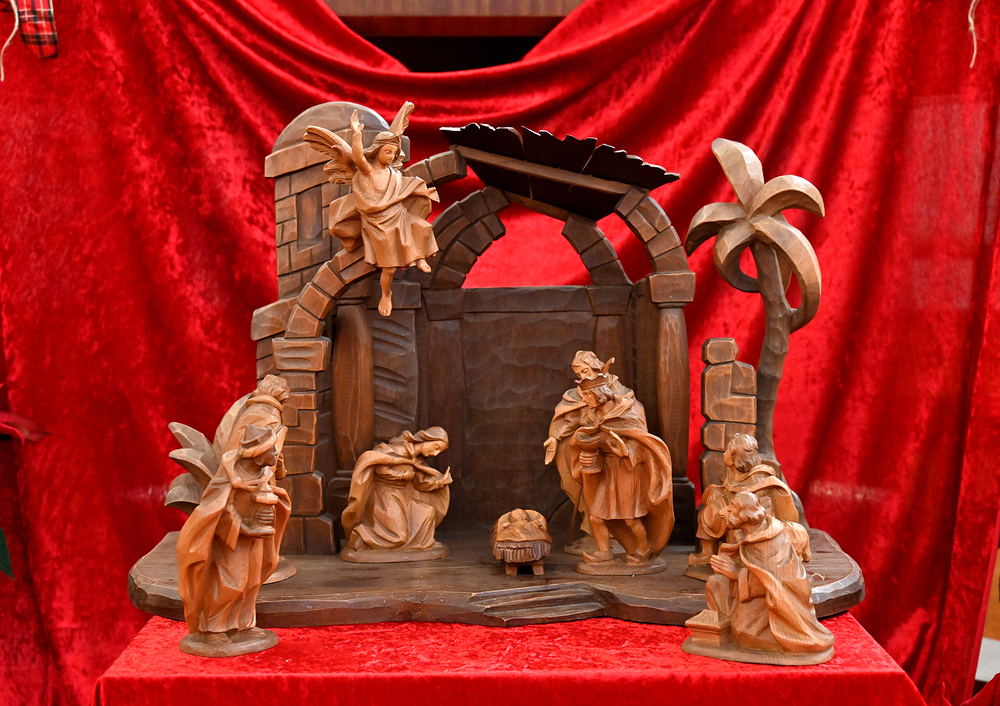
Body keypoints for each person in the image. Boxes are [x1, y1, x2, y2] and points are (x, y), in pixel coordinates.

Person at [176, 424, 290, 653]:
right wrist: (245, 528)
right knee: (231, 583)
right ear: (258, 457)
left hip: (256, 537)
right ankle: (213, 628)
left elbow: (271, 497)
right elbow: (217, 509)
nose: (276, 453)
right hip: (232, 540)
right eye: (272, 450)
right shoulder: (229, 477)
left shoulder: (263, 472)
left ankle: (243, 625)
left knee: (252, 581)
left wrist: (272, 506)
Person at [550, 364, 673, 566]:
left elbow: (641, 444)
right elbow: (590, 440)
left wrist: (622, 449)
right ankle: (603, 552)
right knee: (596, 517)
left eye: (587, 395)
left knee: (631, 519)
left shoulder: (626, 412)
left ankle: (644, 548)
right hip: (608, 473)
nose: (584, 400)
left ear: (598, 394)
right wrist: (588, 454)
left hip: (627, 473)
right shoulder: (594, 417)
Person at [703, 492, 834, 656]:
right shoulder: (750, 534)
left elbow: (779, 581)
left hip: (774, 605)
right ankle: (714, 629)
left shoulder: (772, 543)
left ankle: (774, 637)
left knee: (744, 635)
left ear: (746, 515)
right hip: (753, 593)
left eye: (732, 507)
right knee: (716, 582)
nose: (724, 511)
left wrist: (737, 574)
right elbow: (754, 566)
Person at [544, 351, 637, 547]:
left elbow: (631, 420)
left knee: (615, 497)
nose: (582, 377)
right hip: (589, 453)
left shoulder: (617, 391)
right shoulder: (579, 394)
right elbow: (572, 419)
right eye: (578, 374)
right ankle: (596, 537)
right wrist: (555, 437)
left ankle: (622, 540)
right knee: (588, 492)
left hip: (614, 457)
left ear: (595, 366)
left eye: (585, 371)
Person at [689, 433, 805, 568]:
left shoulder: (761, 479)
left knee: (738, 519)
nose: (724, 453)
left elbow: (782, 513)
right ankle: (707, 553)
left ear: (735, 457)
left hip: (752, 523)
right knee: (708, 513)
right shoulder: (731, 475)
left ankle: (739, 558)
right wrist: (715, 493)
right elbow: (726, 492)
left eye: (728, 450)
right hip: (730, 514)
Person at [342, 427, 452, 556]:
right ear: (427, 438)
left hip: (401, 496)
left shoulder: (417, 461)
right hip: (384, 495)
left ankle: (419, 544)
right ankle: (360, 536)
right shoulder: (397, 450)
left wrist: (440, 482)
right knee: (398, 536)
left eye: (439, 452)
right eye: (436, 447)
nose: (435, 453)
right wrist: (402, 476)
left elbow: (420, 483)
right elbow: (380, 469)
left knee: (427, 512)